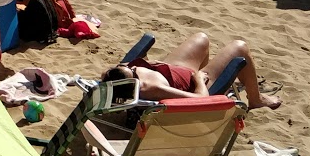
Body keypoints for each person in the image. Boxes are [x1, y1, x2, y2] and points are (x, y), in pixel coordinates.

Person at [103, 32, 281, 110]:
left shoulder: (116, 79)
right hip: (191, 84)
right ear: (136, 83)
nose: (132, 67)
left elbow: (112, 74)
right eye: (133, 71)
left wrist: (146, 65)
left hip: (172, 71)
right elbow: (201, 100)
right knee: (240, 47)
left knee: (201, 39)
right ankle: (256, 99)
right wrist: (197, 79)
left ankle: (219, 73)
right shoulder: (150, 88)